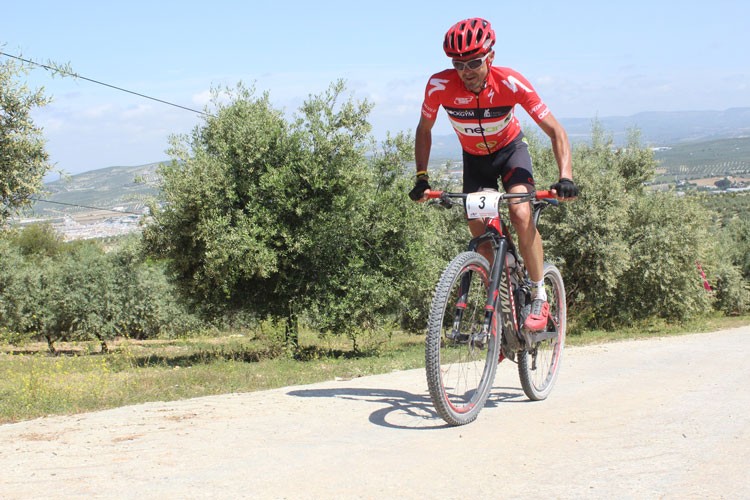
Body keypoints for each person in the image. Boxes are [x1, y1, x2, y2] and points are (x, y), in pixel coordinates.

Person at [409, 17, 578, 332]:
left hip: (510, 153)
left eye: (474, 62)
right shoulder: (439, 86)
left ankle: (539, 295)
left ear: (491, 57)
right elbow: (424, 129)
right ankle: (501, 313)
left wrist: (565, 175)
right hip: (475, 161)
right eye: (459, 64)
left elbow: (555, 130)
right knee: (479, 233)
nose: (466, 71)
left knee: (519, 211)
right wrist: (422, 177)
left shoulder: (511, 82)